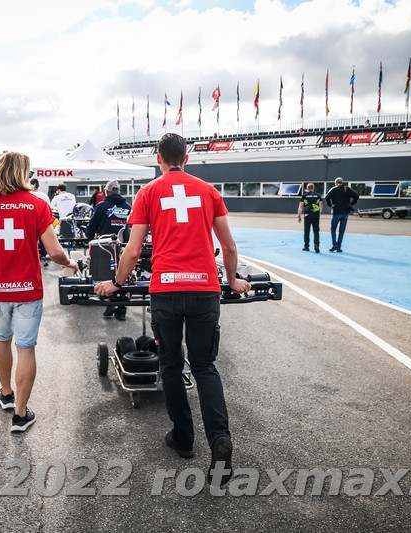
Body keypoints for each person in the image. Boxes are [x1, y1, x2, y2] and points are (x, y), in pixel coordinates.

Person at [95, 133, 250, 487]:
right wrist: (233, 280)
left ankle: (183, 438)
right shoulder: (208, 191)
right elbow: (228, 245)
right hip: (204, 290)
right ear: (187, 157)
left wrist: (117, 283)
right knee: (205, 366)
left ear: (158, 158)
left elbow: (133, 251)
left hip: (166, 291)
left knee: (170, 365)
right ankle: (220, 440)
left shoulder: (149, 192)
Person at [0, 152, 78, 433]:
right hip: (28, 290)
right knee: (25, 347)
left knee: (2, 337)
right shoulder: (36, 205)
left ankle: (6, 394)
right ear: (23, 174)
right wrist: (70, 262)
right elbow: (54, 252)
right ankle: (20, 414)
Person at [86, 179, 132, 321]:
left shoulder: (101, 206)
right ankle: (122, 307)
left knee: (107, 273)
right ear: (118, 191)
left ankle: (111, 301)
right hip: (124, 245)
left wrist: (88, 237)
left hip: (105, 245)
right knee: (124, 274)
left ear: (106, 191)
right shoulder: (128, 206)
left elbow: (92, 225)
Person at [323, 177, 359, 253]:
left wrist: (330, 205)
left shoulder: (334, 189)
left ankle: (334, 245)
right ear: (342, 182)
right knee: (341, 231)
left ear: (336, 183)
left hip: (336, 212)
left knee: (333, 229)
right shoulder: (347, 189)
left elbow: (327, 197)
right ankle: (339, 247)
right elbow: (356, 196)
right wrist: (351, 203)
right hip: (345, 212)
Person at [29, 177, 51, 266]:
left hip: (29, 223)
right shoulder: (44, 196)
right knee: (43, 240)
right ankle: (43, 254)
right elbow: (49, 209)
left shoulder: (27, 194)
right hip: (41, 223)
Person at [297, 183, 322, 253]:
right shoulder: (318, 196)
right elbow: (321, 206)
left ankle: (306, 246)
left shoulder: (304, 196)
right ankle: (316, 245)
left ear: (307, 189)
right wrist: (319, 214)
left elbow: (300, 206)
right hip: (316, 215)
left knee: (306, 231)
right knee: (316, 231)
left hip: (307, 215)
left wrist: (299, 215)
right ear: (313, 188)